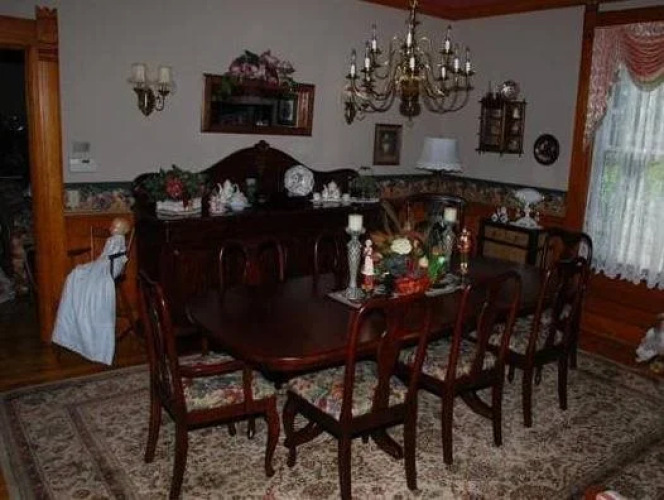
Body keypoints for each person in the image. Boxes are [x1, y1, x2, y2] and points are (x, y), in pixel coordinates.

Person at [52, 217, 130, 365]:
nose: (112, 228)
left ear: (123, 231)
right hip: (103, 263)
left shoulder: (118, 241)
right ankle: (74, 329)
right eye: (112, 225)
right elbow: (104, 256)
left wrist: (105, 263)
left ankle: (90, 335)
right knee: (76, 274)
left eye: (116, 227)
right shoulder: (112, 239)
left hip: (110, 267)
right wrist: (99, 263)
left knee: (83, 276)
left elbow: (115, 256)